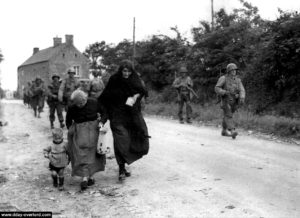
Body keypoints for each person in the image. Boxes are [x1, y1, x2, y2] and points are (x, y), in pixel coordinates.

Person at [99, 60, 150, 181]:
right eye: (124, 71)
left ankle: (124, 165)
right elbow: (105, 97)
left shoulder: (135, 79)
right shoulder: (114, 80)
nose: (126, 73)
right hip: (117, 116)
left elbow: (143, 91)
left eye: (128, 71)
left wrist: (135, 96)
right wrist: (103, 117)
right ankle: (121, 169)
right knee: (120, 141)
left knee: (138, 138)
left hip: (131, 116)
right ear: (120, 70)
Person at [66, 90, 107, 191]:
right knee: (81, 154)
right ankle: (84, 178)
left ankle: (91, 176)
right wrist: (72, 130)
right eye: (78, 104)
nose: (80, 105)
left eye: (82, 103)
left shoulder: (93, 102)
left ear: (85, 99)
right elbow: (68, 121)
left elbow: (105, 112)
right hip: (80, 133)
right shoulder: (72, 108)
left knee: (93, 154)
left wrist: (101, 122)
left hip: (94, 131)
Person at [215, 63, 246, 139]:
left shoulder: (238, 80)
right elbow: (217, 88)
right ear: (228, 71)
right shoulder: (223, 78)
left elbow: (242, 90)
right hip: (225, 100)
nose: (234, 72)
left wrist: (241, 97)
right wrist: (224, 92)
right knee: (229, 115)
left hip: (234, 101)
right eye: (232, 70)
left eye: (235, 70)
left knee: (227, 115)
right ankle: (232, 130)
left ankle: (224, 130)